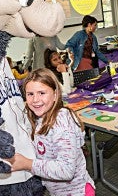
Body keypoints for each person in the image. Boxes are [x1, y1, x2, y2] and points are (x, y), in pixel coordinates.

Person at [10, 68, 95, 196]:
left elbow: (66, 170)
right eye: (30, 94)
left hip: (78, 192)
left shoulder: (61, 122)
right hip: (57, 191)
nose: (35, 99)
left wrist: (27, 164)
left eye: (42, 93)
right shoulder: (38, 118)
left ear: (55, 95)